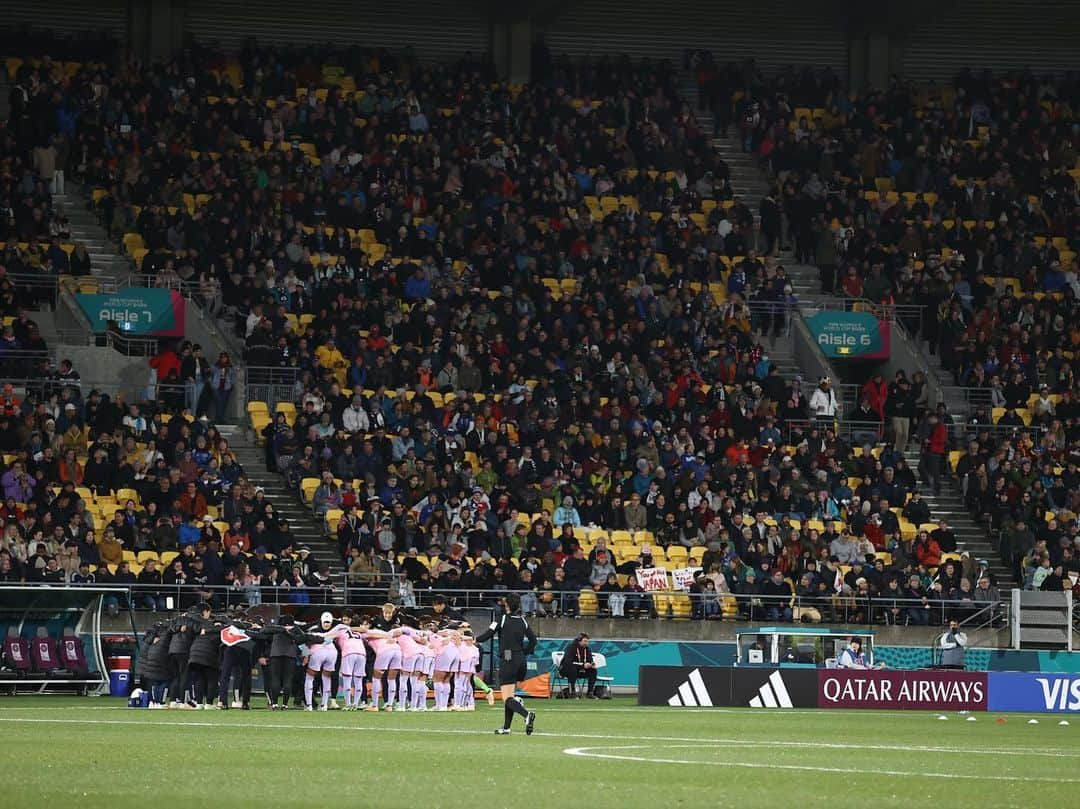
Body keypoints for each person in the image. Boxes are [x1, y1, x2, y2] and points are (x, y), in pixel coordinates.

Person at [475, 594, 537, 735]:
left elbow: (489, 634)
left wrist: (475, 640)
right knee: (510, 695)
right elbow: (533, 640)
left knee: (507, 697)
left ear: (507, 605)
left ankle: (526, 714)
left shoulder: (502, 618)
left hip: (508, 657)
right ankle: (506, 727)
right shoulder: (523, 621)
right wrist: (524, 653)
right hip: (520, 659)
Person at [559, 633, 598, 698]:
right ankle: (572, 692)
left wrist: (591, 664)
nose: (586, 643)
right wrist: (583, 665)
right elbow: (568, 662)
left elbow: (590, 659)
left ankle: (590, 693)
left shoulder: (587, 649)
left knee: (593, 670)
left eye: (587, 641)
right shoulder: (571, 647)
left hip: (580, 670)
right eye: (585, 641)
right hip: (566, 669)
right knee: (572, 668)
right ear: (579, 641)